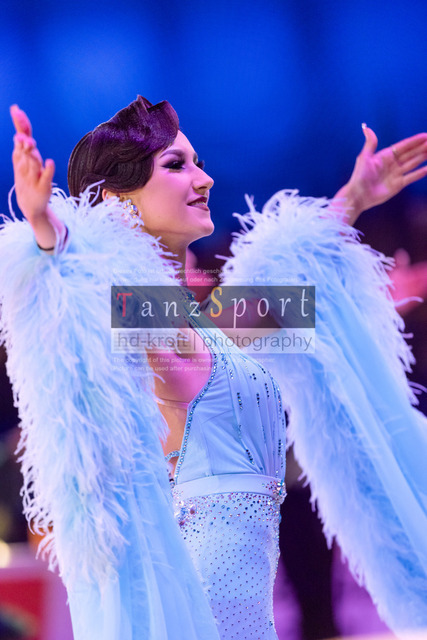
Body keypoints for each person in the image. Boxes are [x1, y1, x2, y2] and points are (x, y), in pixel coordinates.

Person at [1, 96, 427, 640]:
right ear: (116, 199)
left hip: (246, 612)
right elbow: (74, 284)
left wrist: (354, 197)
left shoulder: (202, 321)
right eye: (176, 165)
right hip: (194, 603)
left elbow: (285, 298)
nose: (203, 179)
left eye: (198, 163)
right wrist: (45, 228)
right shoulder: (129, 312)